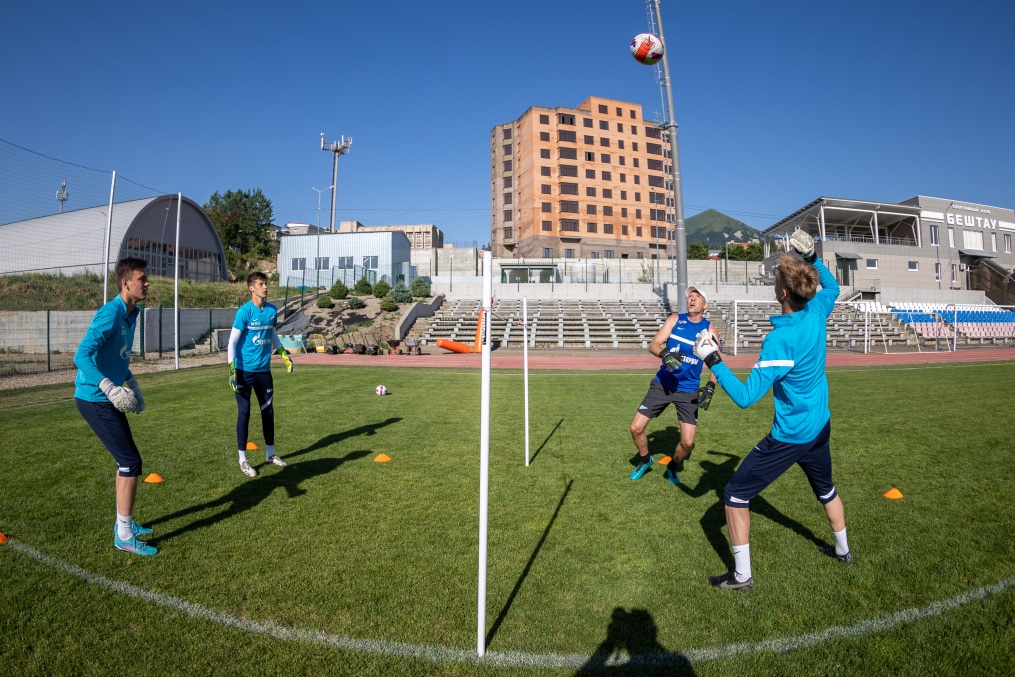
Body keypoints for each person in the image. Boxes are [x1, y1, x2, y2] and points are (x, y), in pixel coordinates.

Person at [693, 230, 851, 591]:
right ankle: (843, 551)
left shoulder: (780, 339)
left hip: (791, 436)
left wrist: (713, 359)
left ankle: (742, 576)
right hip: (820, 424)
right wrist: (811, 258)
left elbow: (746, 397)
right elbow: (833, 288)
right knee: (825, 488)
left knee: (735, 495)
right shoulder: (817, 309)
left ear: (782, 293)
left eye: (778, 278)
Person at [74, 257, 156, 556]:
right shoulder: (110, 313)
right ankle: (123, 535)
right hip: (94, 398)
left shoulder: (132, 313)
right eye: (142, 278)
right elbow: (81, 356)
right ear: (126, 283)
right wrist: (109, 387)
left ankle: (125, 524)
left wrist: (131, 382)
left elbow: (116, 356)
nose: (147, 283)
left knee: (127, 462)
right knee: (130, 462)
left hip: (105, 397)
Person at [629, 286, 719, 484]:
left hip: (688, 391)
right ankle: (645, 460)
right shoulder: (675, 320)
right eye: (690, 296)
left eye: (697, 297)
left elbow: (716, 364)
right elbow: (653, 345)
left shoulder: (710, 330)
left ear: (705, 304)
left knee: (687, 443)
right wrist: (664, 354)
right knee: (635, 428)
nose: (692, 299)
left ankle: (672, 465)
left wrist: (711, 386)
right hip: (663, 384)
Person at [228, 271, 294, 477]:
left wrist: (282, 352)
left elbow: (272, 333)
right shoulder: (244, 312)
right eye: (261, 284)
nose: (265, 287)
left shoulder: (272, 310)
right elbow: (232, 342)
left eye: (266, 284)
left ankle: (270, 454)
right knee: (244, 412)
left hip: (264, 372)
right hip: (244, 371)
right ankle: (243, 460)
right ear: (251, 288)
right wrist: (231, 369)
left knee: (268, 412)